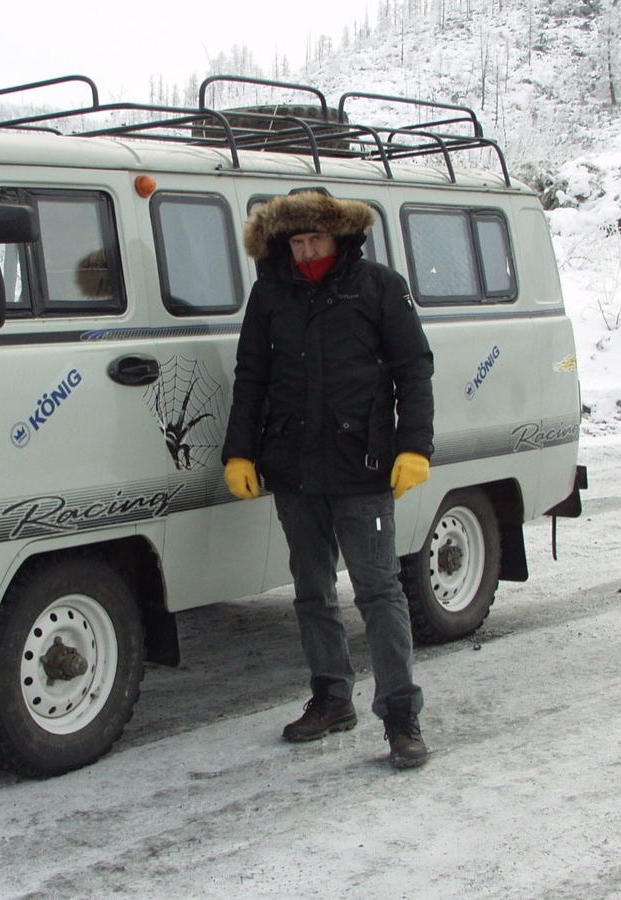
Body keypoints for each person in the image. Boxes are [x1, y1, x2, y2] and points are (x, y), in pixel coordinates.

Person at [222, 190, 435, 770]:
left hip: (361, 465)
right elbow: (251, 375)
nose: (307, 250)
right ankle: (331, 697)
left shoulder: (379, 288)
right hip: (293, 467)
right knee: (311, 591)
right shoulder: (270, 294)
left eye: (316, 239)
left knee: (379, 591)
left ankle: (399, 717)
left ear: (339, 238)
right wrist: (239, 453)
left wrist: (414, 446)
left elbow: (413, 368)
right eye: (296, 241)